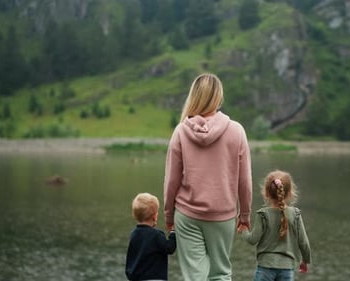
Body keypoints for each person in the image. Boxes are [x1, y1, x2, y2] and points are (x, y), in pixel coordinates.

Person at [163, 72, 253, 280]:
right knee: (220, 273)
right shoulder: (237, 131)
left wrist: (169, 215)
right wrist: (245, 215)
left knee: (195, 276)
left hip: (187, 214)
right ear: (218, 98)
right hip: (223, 215)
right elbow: (245, 181)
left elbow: (171, 181)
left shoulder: (180, 132)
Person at [238, 170, 311, 281]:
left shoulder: (263, 215)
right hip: (287, 269)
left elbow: (252, 239)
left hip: (265, 268)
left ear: (266, 193)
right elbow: (304, 243)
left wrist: (243, 230)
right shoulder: (295, 215)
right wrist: (305, 261)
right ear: (290, 193)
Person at [125, 193, 176, 281]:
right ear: (155, 216)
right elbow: (170, 248)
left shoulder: (134, 234)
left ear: (135, 216)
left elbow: (131, 258)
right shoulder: (157, 235)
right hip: (155, 278)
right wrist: (173, 233)